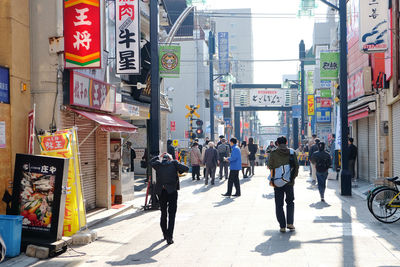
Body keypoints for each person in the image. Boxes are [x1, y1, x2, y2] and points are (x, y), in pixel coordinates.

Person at [150, 152, 189, 245]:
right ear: (170, 159)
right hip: (172, 191)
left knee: (163, 213)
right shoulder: (174, 163)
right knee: (172, 214)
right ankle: (169, 237)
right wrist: (176, 163)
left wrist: (159, 156)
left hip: (161, 192)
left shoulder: (158, 165)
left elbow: (150, 162)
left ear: (163, 159)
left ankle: (165, 233)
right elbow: (186, 169)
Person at [268, 136, 299, 233]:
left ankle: (282, 226)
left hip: (277, 181)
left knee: (279, 204)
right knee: (290, 202)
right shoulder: (292, 152)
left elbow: (270, 166)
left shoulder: (273, 153)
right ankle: (290, 223)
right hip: (289, 182)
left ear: (277, 143)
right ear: (286, 142)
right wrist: (292, 178)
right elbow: (296, 166)